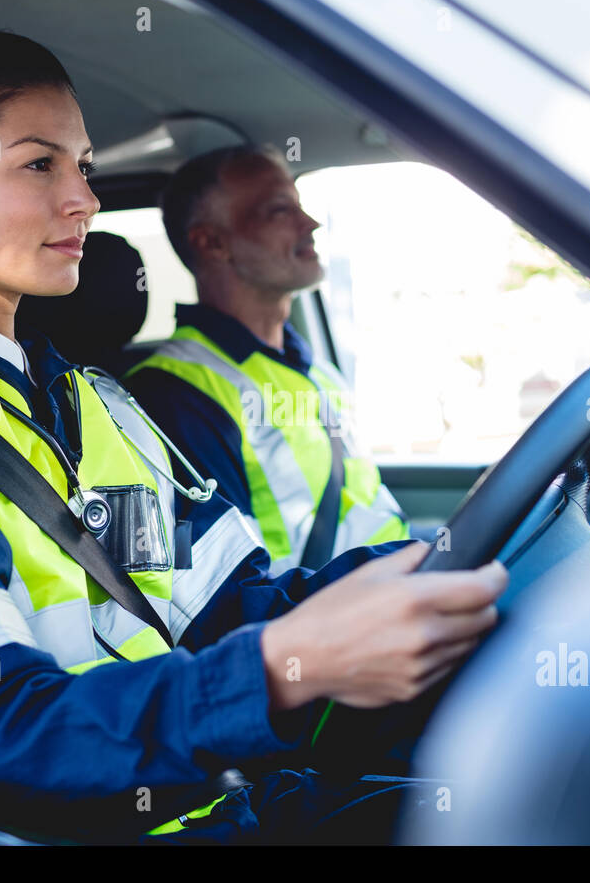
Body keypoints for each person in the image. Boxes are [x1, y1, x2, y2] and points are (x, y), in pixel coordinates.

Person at [0, 26, 506, 843]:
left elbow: (224, 609)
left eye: (84, 168)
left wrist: (439, 565)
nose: (84, 200)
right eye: (38, 164)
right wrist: (270, 674)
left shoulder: (94, 400)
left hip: (207, 806)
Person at [122, 146, 409, 575]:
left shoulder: (313, 369)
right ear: (213, 242)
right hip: (331, 629)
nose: (309, 224)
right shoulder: (175, 396)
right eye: (279, 211)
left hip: (403, 595)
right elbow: (230, 589)